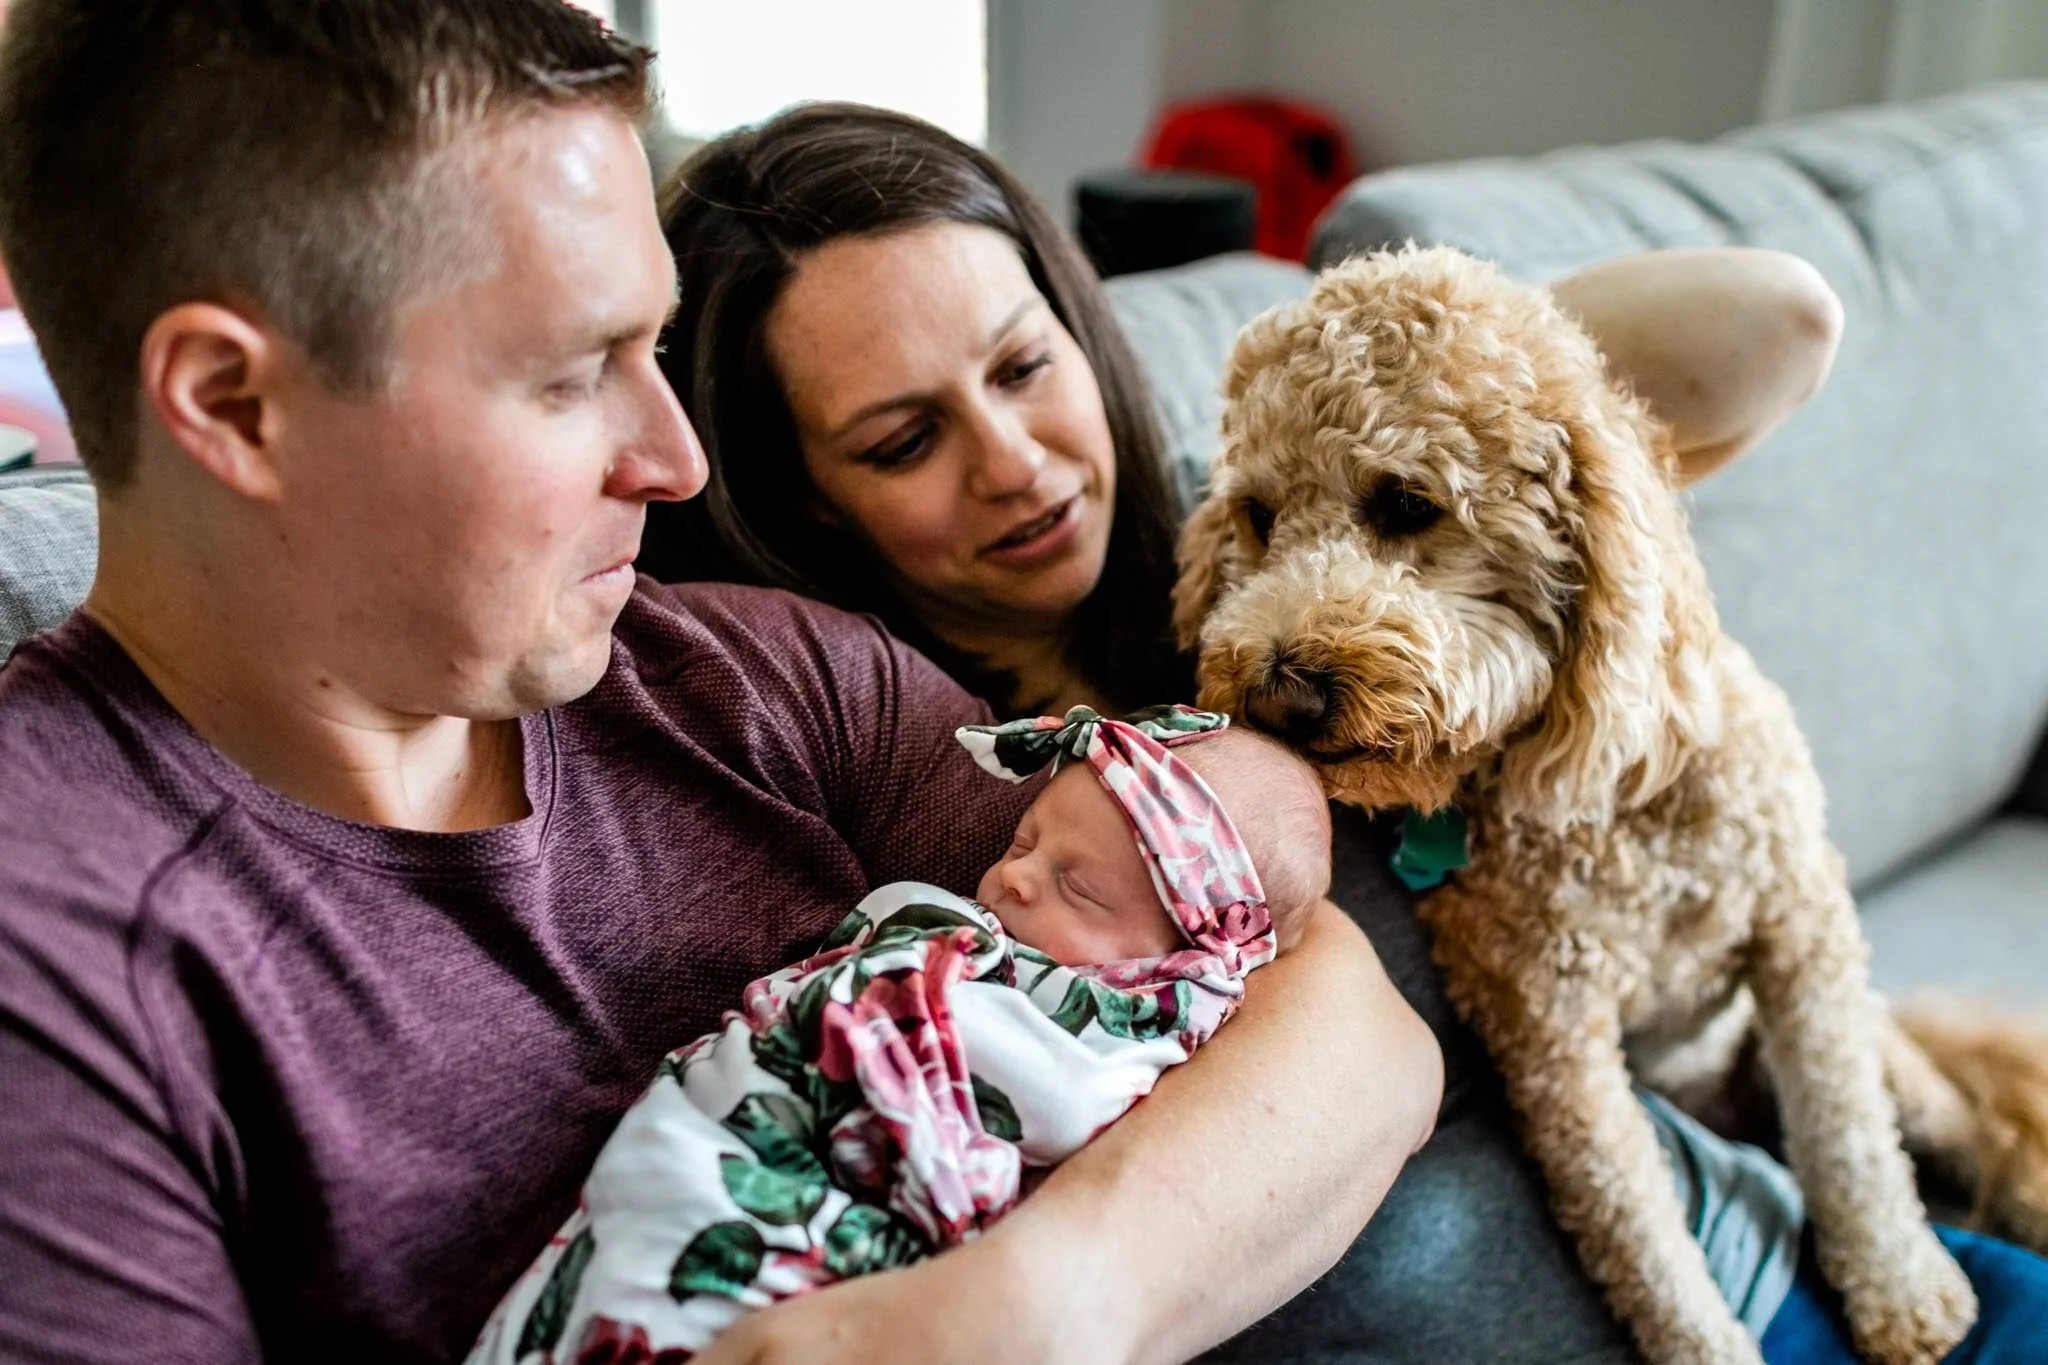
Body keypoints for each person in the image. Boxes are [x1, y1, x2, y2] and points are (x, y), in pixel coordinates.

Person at [0, 7, 1441, 1365]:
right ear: (234, 406)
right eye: (576, 374)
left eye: (657, 347)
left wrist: (1030, 1312)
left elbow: (1337, 1014)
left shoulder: (761, 676)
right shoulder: (54, 962)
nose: (674, 460)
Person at [640, 103, 2048, 1360]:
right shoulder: (905, 779)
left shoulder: (1268, 526)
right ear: (808, 495)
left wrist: (1483, 361)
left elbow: (1781, 321)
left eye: (1021, 366)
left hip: (1764, 1249)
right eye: (903, 440)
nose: (1015, 464)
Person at [469, 709, 1333, 1362]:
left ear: (1180, 962)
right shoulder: (974, 923)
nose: (1017, 878)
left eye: (1081, 889)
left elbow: (1057, 1108)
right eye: (1026, 838)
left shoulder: (1116, 1039)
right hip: (690, 1156)